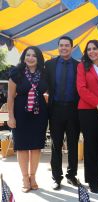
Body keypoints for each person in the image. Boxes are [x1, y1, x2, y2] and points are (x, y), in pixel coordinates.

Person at [7, 46, 48, 192]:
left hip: (39, 114)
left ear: (38, 59)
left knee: (36, 147)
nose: (30, 58)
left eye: (34, 56)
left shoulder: (44, 73)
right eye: (28, 55)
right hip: (20, 114)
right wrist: (10, 117)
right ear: (24, 57)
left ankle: (33, 177)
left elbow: (47, 92)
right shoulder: (16, 73)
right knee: (22, 147)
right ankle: (25, 178)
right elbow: (10, 98)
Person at [45, 36, 80, 190]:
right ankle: (56, 178)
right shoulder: (49, 65)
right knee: (55, 145)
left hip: (74, 110)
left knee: (73, 145)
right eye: (61, 45)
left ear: (72, 48)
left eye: (67, 45)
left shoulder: (79, 66)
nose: (64, 48)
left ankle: (71, 175)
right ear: (58, 47)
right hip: (55, 109)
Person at [76, 40, 98, 193]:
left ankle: (97, 178)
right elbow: (81, 89)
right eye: (89, 49)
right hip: (88, 109)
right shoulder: (82, 66)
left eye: (95, 48)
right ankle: (91, 181)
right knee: (90, 145)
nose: (92, 51)